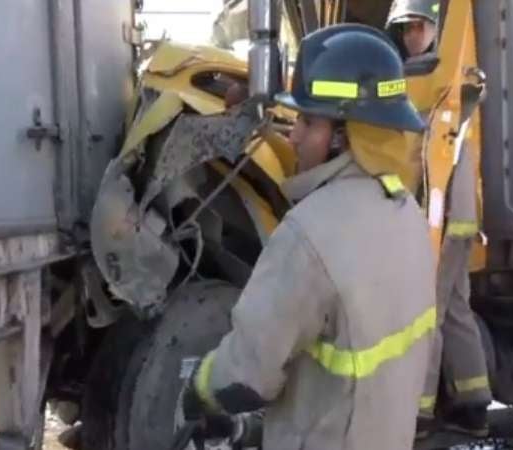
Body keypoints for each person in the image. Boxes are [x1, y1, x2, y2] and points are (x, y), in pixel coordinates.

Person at [182, 23, 437, 450]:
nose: (294, 135)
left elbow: (246, 373)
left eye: (307, 121)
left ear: (344, 137)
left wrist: (199, 389)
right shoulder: (405, 212)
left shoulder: (308, 235)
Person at [388, 0, 494, 438]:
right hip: (457, 218)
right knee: (454, 308)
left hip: (447, 221)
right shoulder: (428, 77)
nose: (413, 36)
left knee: (426, 310)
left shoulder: (435, 81)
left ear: (435, 26)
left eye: (419, 27)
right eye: (406, 29)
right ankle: (473, 406)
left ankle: (419, 413)